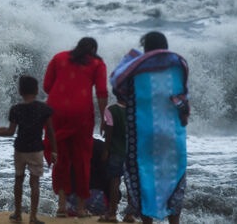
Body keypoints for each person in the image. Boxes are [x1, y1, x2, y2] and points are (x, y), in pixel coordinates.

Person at [110, 31, 189, 224]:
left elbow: (117, 86)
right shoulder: (178, 66)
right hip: (173, 140)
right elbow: (184, 105)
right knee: (173, 181)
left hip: (143, 138)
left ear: (146, 49)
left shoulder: (134, 70)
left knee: (144, 181)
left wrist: (132, 60)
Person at [43, 37, 108, 217]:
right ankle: (80, 208)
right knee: (81, 159)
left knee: (60, 158)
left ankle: (61, 206)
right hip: (81, 114)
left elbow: (47, 86)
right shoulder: (97, 63)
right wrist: (104, 118)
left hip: (56, 111)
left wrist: (63, 95)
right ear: (93, 49)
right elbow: (102, 93)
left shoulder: (58, 58)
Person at [0, 75, 57, 224]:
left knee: (18, 180)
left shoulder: (16, 109)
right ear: (37, 90)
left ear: (20, 91)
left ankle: (17, 213)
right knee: (34, 182)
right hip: (36, 149)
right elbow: (50, 131)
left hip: (20, 149)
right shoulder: (44, 109)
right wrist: (54, 151)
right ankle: (33, 217)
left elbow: (10, 131)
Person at [99, 99, 127, 223]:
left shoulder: (111, 110)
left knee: (115, 182)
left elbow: (109, 132)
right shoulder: (134, 110)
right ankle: (130, 214)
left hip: (115, 151)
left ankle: (112, 213)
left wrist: (105, 150)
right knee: (130, 183)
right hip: (131, 152)